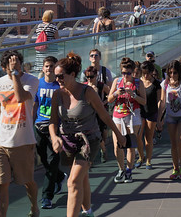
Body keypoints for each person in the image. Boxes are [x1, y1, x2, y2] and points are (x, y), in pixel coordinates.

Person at [49, 52, 126, 217]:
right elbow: (52, 121)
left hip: (89, 140)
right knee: (81, 178)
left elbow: (104, 115)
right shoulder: (57, 95)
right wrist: (55, 137)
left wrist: (119, 135)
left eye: (61, 76)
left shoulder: (87, 92)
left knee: (73, 182)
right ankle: (88, 211)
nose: (58, 80)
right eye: (56, 77)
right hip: (67, 140)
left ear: (73, 75)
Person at [0, 50, 40, 217]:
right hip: (1, 142)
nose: (14, 67)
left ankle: (34, 207)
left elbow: (20, 97)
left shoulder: (31, 80)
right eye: (10, 66)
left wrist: (16, 75)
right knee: (1, 184)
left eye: (17, 63)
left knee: (27, 181)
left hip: (23, 142)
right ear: (4, 68)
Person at [107, 58, 146, 183]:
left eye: (128, 73)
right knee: (118, 145)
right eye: (123, 73)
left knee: (130, 145)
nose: (126, 76)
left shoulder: (138, 83)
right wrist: (116, 93)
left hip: (132, 115)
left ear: (132, 72)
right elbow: (109, 99)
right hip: (118, 115)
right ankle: (121, 169)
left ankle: (129, 170)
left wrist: (133, 94)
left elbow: (144, 101)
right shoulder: (117, 81)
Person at [34, 56, 66, 210]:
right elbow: (35, 106)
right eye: (46, 66)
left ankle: (47, 197)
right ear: (43, 68)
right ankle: (59, 177)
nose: (49, 69)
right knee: (44, 159)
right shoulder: (37, 84)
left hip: (56, 129)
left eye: (51, 66)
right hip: (40, 127)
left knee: (52, 161)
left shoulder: (60, 86)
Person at [83, 66, 111, 163]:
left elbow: (110, 94)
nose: (89, 79)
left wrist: (104, 102)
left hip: (100, 113)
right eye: (87, 77)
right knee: (93, 134)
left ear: (96, 76)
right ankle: (93, 155)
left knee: (101, 134)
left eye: (91, 77)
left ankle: (103, 150)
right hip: (89, 114)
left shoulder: (101, 86)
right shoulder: (85, 86)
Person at [139, 61, 163, 169]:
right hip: (139, 112)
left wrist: (159, 118)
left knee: (148, 137)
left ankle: (148, 160)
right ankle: (141, 156)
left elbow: (159, 100)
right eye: (143, 73)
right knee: (138, 136)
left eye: (147, 73)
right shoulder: (138, 82)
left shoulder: (157, 84)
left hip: (152, 112)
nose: (145, 75)